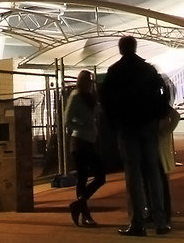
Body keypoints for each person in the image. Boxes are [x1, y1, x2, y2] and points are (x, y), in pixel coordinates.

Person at [99, 36, 171, 236]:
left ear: (121, 50)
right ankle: (160, 221)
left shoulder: (115, 72)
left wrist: (115, 123)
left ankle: (138, 222)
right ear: (135, 47)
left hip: (127, 127)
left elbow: (106, 102)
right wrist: (157, 116)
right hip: (148, 126)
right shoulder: (149, 69)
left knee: (133, 174)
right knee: (153, 171)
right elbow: (163, 92)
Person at [64, 69, 106, 226]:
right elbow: (67, 120)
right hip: (79, 142)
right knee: (86, 177)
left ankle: (79, 205)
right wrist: (81, 125)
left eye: (91, 80)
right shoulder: (76, 96)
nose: (90, 83)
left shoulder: (90, 97)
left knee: (98, 177)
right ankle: (84, 214)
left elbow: (98, 110)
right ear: (82, 81)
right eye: (88, 80)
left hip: (89, 141)